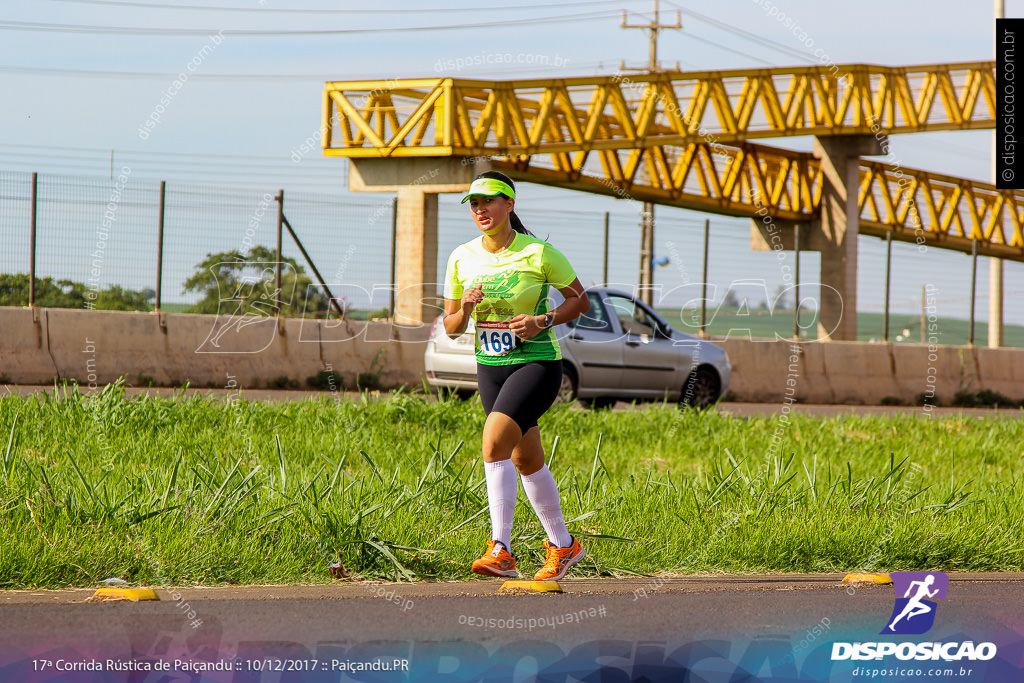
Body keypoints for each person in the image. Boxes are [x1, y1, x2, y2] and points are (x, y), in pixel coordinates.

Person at [443, 170, 591, 581]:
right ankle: (564, 546)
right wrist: (467, 308)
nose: (480, 210)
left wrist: (542, 319)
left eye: (488, 201)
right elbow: (451, 326)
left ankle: (501, 549)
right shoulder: (461, 256)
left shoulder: (540, 253)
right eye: (473, 204)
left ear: (509, 204)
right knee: (525, 459)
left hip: (538, 362)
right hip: (490, 367)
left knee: (493, 443)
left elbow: (580, 302)